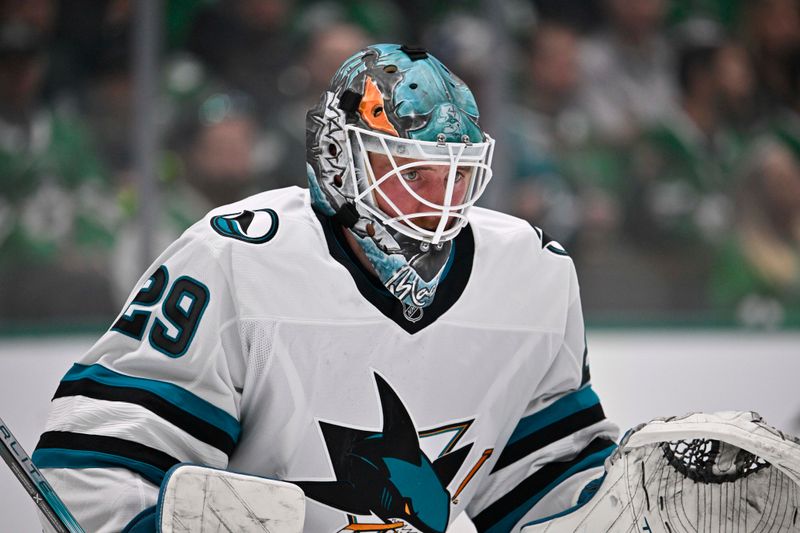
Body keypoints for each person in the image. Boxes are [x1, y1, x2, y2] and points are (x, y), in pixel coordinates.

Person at [33, 44, 618, 532]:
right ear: (340, 161)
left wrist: (622, 510)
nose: (442, 204)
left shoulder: (532, 273)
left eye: (459, 175)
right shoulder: (235, 257)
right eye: (412, 173)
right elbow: (100, 463)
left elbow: (544, 475)